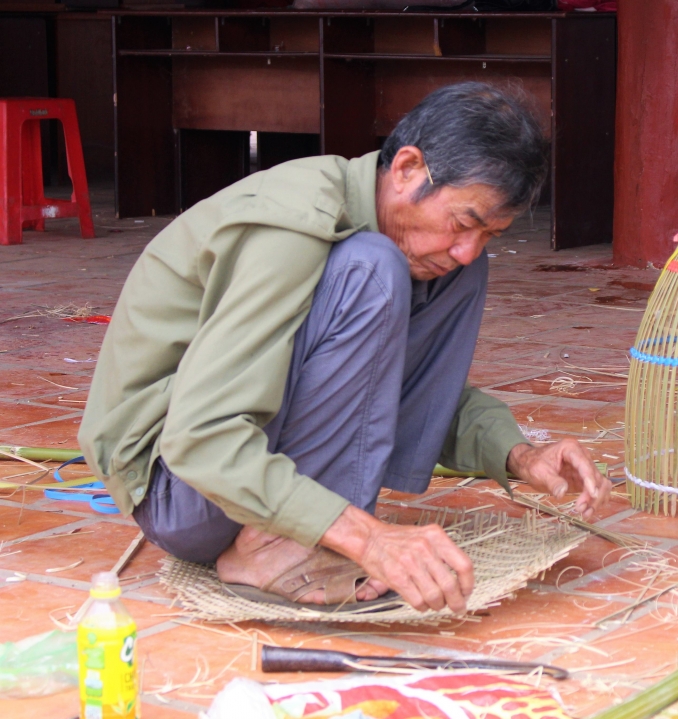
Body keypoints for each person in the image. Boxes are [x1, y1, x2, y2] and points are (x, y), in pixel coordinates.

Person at [78, 82, 611, 614]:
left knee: (452, 274)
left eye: (490, 234)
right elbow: (200, 440)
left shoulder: (416, 249)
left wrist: (516, 452)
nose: (468, 248)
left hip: (241, 476)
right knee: (370, 268)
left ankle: (305, 529)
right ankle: (268, 549)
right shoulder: (299, 223)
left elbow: (393, 382)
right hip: (182, 491)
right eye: (464, 222)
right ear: (406, 170)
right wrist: (368, 539)